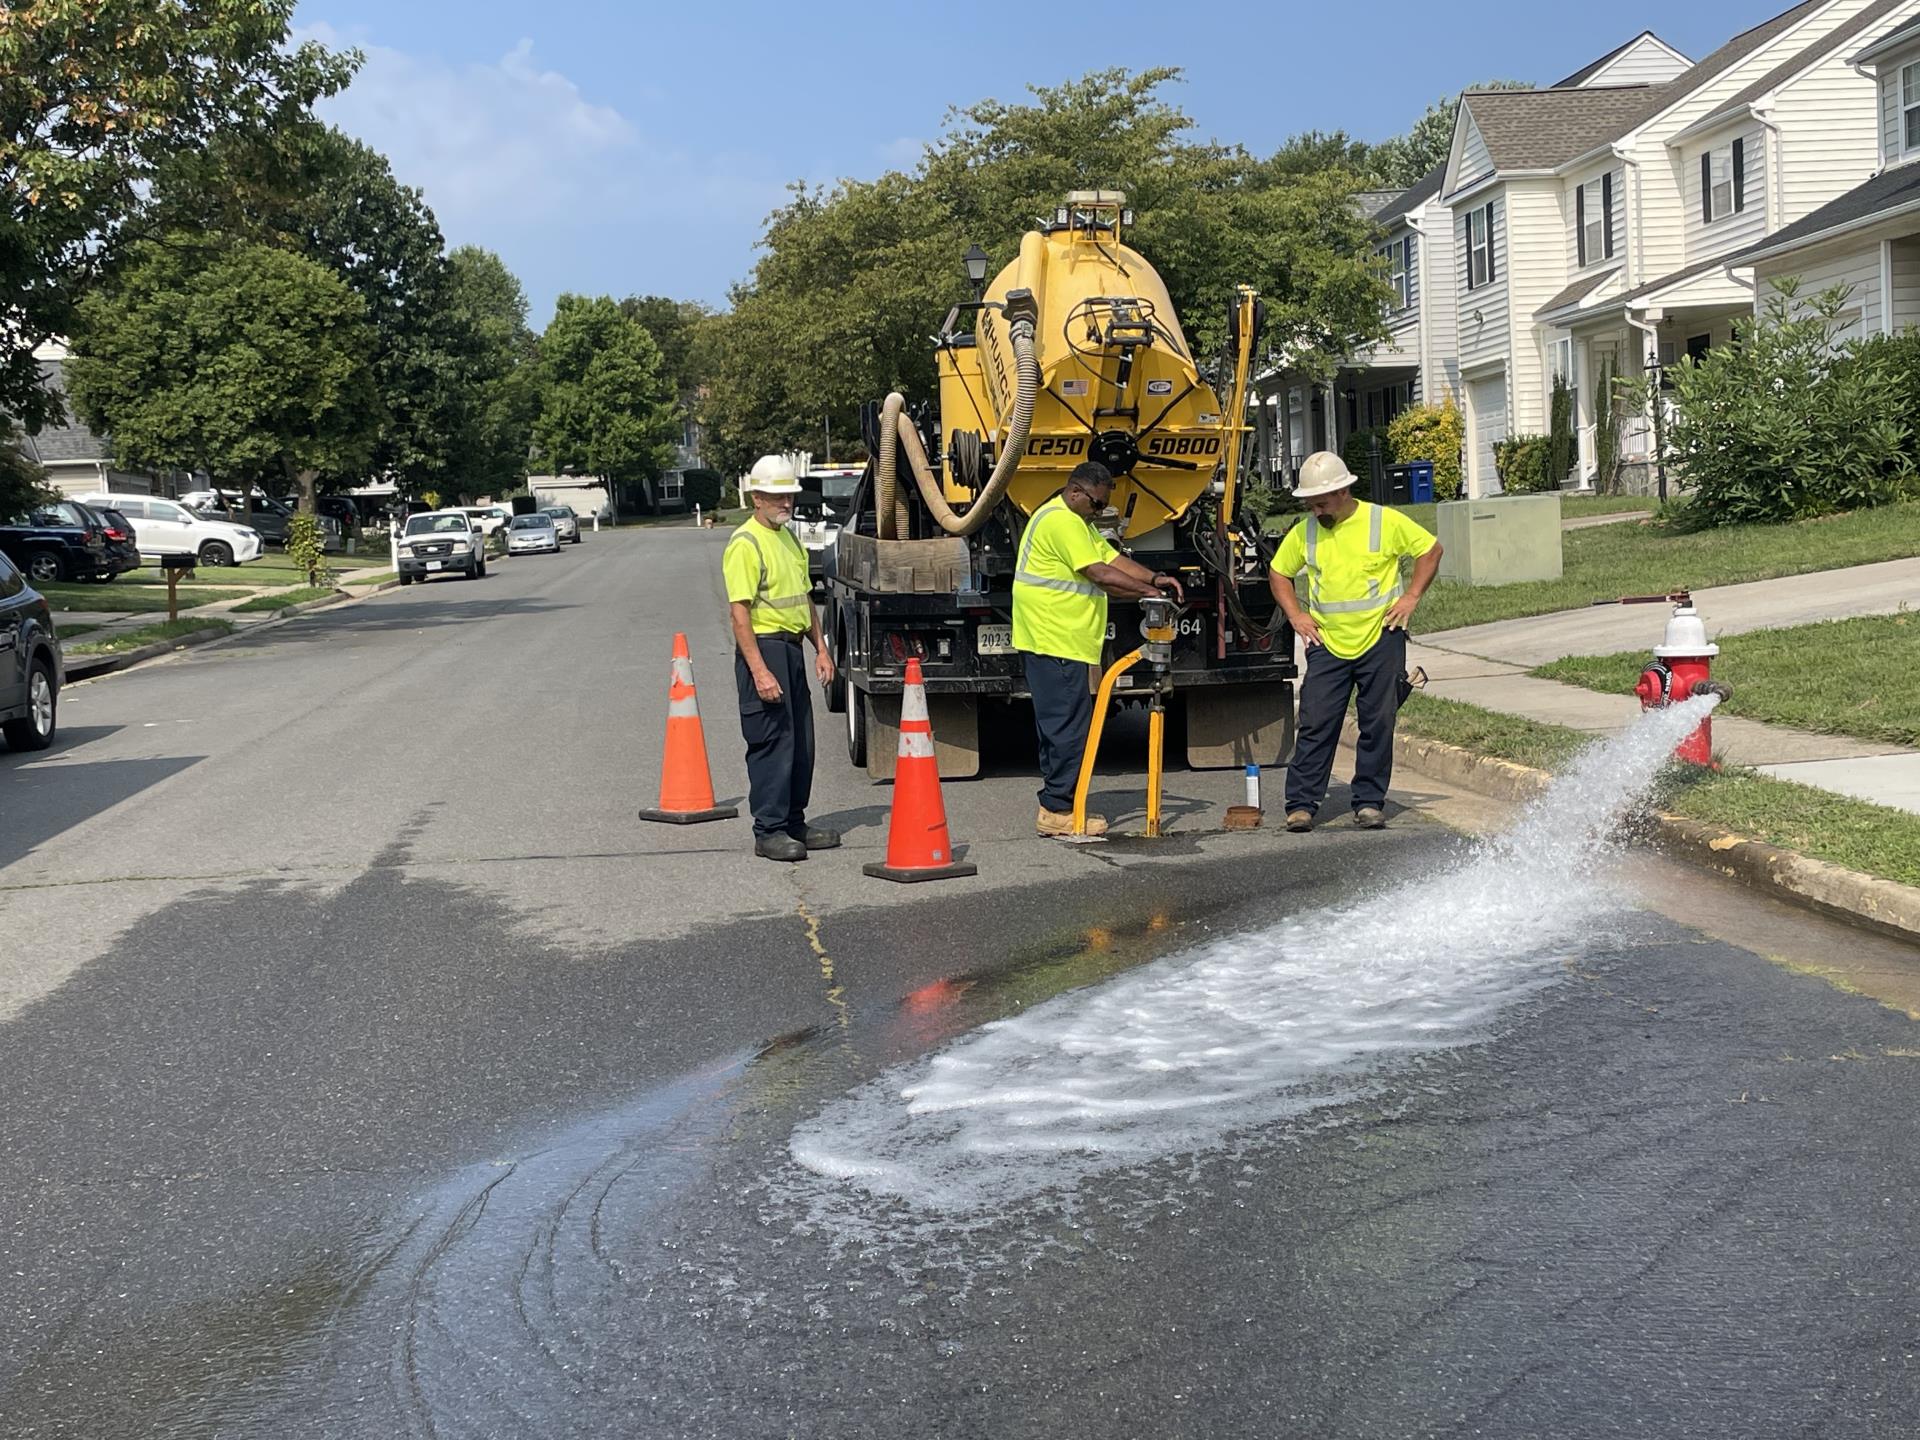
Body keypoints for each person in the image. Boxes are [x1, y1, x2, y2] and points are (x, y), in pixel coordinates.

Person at [1268, 451, 1442, 832]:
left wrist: (1410, 596)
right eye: (1311, 503)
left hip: (1381, 636)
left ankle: (1368, 801)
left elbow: (1430, 550)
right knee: (1316, 721)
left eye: (1322, 502)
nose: (1316, 510)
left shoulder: (1383, 521)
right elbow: (1279, 572)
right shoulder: (1306, 531)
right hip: (1328, 642)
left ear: (1344, 491)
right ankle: (1301, 804)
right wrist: (1296, 615)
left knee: (1377, 721)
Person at [1013, 461, 1184, 837]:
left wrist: (1154, 577)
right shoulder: (1059, 521)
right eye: (1096, 504)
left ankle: (1060, 803)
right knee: (1066, 729)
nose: (1099, 512)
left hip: (1063, 641)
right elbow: (1101, 574)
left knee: (1065, 725)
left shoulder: (1077, 522)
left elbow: (1111, 558)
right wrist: (1149, 592)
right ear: (1075, 492)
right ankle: (1057, 809)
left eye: (1102, 507)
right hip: (1053, 639)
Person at [724, 454, 840, 862]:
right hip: (765, 648)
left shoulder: (787, 537)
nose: (786, 503)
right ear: (756, 497)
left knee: (801, 744)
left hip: (790, 648)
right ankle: (769, 830)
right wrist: (759, 671)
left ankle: (793, 821)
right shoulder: (746, 543)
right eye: (776, 496)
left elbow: (804, 597)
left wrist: (821, 649)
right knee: (772, 742)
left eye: (788, 495)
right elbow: (740, 615)